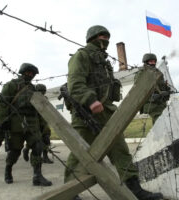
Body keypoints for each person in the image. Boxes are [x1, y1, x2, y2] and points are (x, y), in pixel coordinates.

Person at [64, 25, 163, 200]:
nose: (106, 40)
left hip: (107, 113)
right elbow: (75, 84)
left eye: (107, 37)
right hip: (85, 114)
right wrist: (90, 100)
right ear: (92, 37)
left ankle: (134, 188)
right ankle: (70, 192)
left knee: (121, 150)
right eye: (102, 36)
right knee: (79, 154)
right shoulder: (82, 56)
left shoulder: (104, 62)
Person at [0, 63, 52, 186]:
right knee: (15, 150)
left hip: (33, 123)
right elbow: (1, 104)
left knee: (37, 146)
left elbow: (39, 109)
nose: (30, 75)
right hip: (16, 122)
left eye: (32, 73)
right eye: (28, 72)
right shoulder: (11, 86)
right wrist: (3, 119)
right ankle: (8, 170)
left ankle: (37, 175)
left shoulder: (34, 89)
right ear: (22, 72)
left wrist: (43, 125)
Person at [134, 53, 171, 124]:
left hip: (161, 103)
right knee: (160, 121)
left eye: (154, 61)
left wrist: (167, 91)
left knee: (166, 120)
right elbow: (138, 89)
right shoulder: (141, 73)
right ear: (146, 62)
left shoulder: (158, 72)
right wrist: (151, 96)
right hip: (151, 103)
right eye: (151, 61)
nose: (153, 63)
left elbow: (162, 86)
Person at [22, 83, 53, 164]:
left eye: (43, 91)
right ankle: (27, 149)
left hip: (44, 123)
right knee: (35, 141)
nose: (42, 93)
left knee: (46, 140)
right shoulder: (31, 99)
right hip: (34, 123)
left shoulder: (45, 99)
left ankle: (45, 157)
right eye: (40, 91)